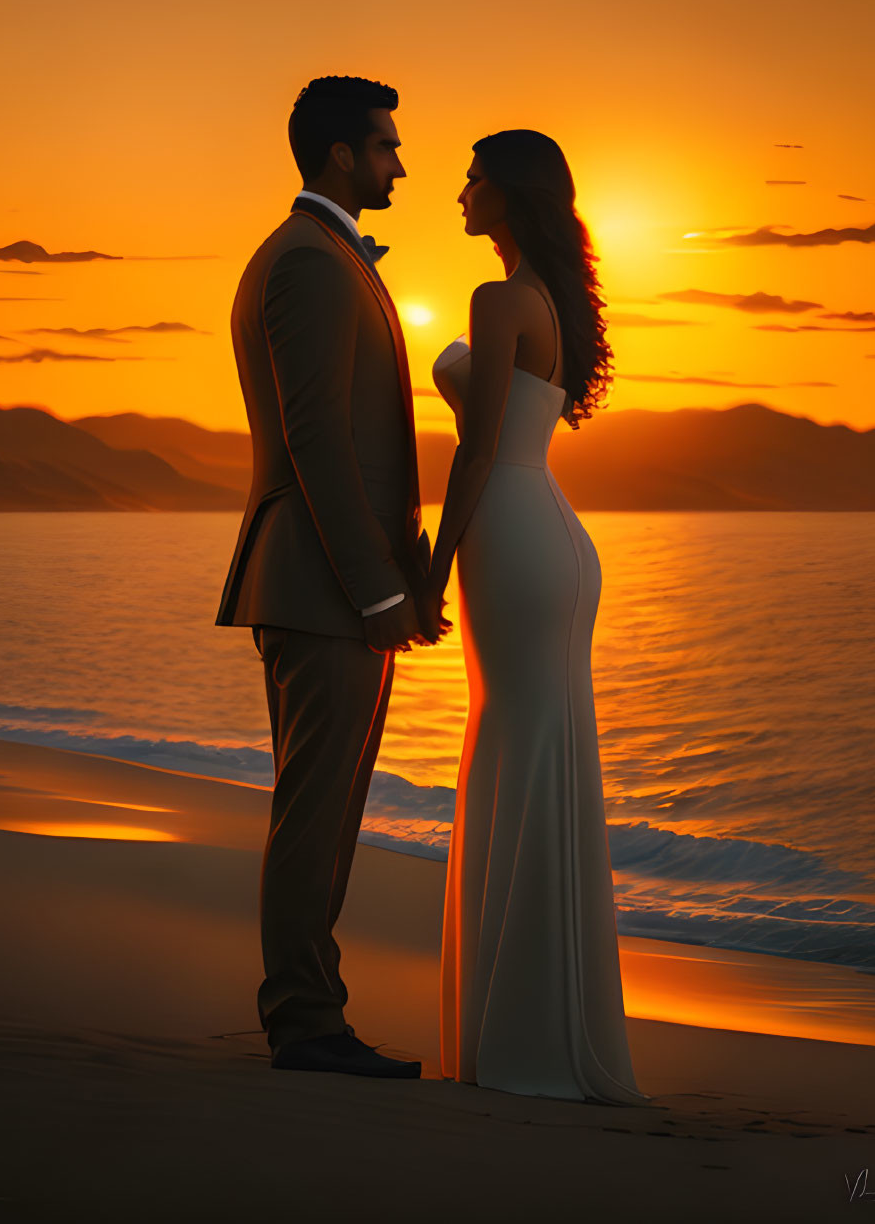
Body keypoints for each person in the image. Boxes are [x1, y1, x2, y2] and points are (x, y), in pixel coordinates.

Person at [417, 129, 651, 1104]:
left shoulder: (502, 300)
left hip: (513, 530)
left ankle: (522, 1040)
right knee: (524, 753)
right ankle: (535, 1027)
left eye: (472, 177)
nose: (459, 190)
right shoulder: (544, 296)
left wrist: (429, 567)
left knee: (517, 752)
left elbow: (474, 453)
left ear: (509, 192)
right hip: (546, 533)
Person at [216, 75, 437, 1078]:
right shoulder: (308, 263)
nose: (399, 160)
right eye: (386, 144)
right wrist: (379, 588)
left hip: (325, 582)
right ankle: (304, 1021)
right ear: (340, 156)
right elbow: (315, 441)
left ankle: (312, 1012)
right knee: (314, 812)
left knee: (326, 810)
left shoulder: (324, 255)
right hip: (319, 584)